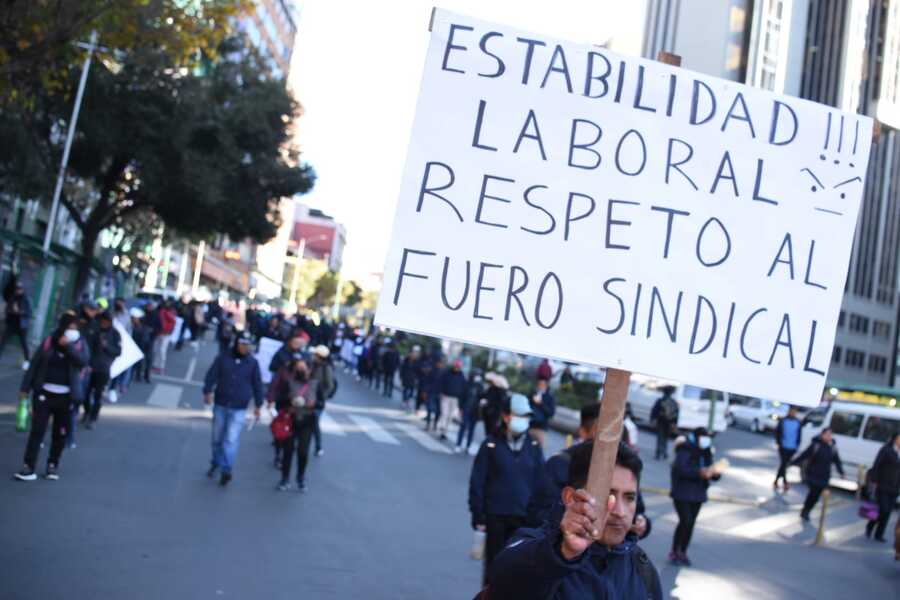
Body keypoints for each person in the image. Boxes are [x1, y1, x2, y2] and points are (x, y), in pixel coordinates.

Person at [487, 442, 662, 600]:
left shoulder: (643, 570)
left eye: (630, 498)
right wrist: (561, 554)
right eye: (608, 496)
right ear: (571, 498)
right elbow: (503, 583)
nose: (620, 512)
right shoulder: (538, 550)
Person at [528, 404, 652, 542]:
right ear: (583, 432)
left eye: (616, 433)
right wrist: (574, 521)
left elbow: (638, 510)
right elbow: (537, 514)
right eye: (602, 433)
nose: (620, 512)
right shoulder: (560, 464)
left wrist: (642, 523)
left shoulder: (624, 467)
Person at [469, 393, 545, 586]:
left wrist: (539, 518)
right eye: (518, 415)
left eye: (525, 416)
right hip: (495, 517)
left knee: (518, 572)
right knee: (494, 569)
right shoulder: (490, 444)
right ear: (505, 416)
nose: (523, 420)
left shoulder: (534, 446)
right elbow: (478, 481)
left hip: (524, 520)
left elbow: (541, 483)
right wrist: (478, 516)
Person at [14, 312, 89, 481]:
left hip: (66, 397)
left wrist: (69, 347)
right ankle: (28, 466)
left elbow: (83, 362)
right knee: (37, 431)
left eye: (75, 328)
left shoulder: (80, 344)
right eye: (69, 327)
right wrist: (25, 388)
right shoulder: (49, 342)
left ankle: (52, 465)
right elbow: (35, 365)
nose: (72, 330)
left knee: (59, 433)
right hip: (44, 395)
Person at [203, 332, 264, 487]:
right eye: (242, 344)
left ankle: (226, 469)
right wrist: (207, 391)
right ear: (237, 344)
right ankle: (215, 462)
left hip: (239, 406)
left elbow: (258, 385)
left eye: (248, 345)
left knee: (231, 439)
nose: (245, 348)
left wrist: (258, 405)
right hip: (221, 403)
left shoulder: (252, 363)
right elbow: (211, 375)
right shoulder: (223, 357)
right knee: (217, 437)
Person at [669, 427, 720, 566]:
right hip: (682, 493)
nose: (706, 440)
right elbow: (681, 469)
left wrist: (715, 473)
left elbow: (711, 470)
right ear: (696, 437)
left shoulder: (706, 451)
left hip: (698, 494)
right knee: (685, 521)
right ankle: (675, 551)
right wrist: (699, 473)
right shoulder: (685, 449)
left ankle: (683, 551)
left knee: (690, 524)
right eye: (704, 437)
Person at [271, 354, 318, 491]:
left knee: (303, 452)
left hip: (307, 422)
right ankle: (285, 479)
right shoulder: (289, 383)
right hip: (290, 421)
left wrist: (313, 404)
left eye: (303, 368)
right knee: (288, 451)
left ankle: (301, 478)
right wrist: (289, 402)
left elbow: (321, 403)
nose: (301, 370)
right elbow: (279, 402)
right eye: (298, 368)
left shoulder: (314, 385)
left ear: (309, 370)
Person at [792, 427, 845, 521]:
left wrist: (841, 472)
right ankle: (805, 511)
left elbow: (837, 461)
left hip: (825, 476)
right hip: (813, 474)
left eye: (830, 435)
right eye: (827, 434)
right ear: (822, 435)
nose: (829, 436)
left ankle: (807, 510)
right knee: (813, 493)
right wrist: (792, 462)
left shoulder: (832, 447)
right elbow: (804, 455)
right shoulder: (816, 445)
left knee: (816, 496)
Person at [83, 311, 122, 429]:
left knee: (98, 395)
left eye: (106, 322)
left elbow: (118, 351)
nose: (104, 324)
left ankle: (93, 417)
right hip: (91, 366)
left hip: (103, 368)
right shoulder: (94, 330)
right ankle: (87, 411)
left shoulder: (115, 334)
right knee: (85, 393)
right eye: (102, 322)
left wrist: (107, 346)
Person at [866, 432, 900, 542]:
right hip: (882, 485)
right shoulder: (886, 450)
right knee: (883, 509)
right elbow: (877, 465)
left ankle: (879, 534)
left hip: (895, 488)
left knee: (888, 512)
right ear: (895, 439)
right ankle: (870, 524)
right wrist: (874, 481)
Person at [309, 345, 336, 457]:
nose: (313, 356)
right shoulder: (312, 365)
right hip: (308, 399)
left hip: (317, 402)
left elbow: (329, 386)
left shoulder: (326, 368)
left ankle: (318, 447)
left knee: (314, 425)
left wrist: (321, 397)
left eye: (315, 355)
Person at [0, 282, 32, 369]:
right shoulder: (13, 298)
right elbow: (7, 310)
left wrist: (19, 311)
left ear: (23, 290)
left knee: (24, 344)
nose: (18, 291)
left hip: (22, 325)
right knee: (3, 341)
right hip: (12, 324)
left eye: (20, 289)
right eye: (17, 289)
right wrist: (12, 311)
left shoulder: (26, 299)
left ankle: (27, 361)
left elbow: (28, 312)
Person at [455, 370, 484, 455]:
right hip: (466, 408)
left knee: (472, 429)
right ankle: (458, 444)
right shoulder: (467, 384)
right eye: (476, 375)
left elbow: (482, 396)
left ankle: (468, 446)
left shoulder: (480, 386)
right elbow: (462, 395)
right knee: (463, 426)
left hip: (475, 411)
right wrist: (460, 408)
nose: (477, 377)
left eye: (478, 375)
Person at [773, 406, 802, 491]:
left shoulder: (798, 422)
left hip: (792, 447)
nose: (793, 413)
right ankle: (784, 482)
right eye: (791, 411)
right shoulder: (783, 421)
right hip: (783, 446)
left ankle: (778, 481)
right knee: (784, 464)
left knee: (784, 464)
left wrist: (797, 445)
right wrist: (778, 443)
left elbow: (799, 435)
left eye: (794, 411)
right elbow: (777, 432)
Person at [437, 359, 466, 440]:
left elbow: (463, 388)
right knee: (444, 413)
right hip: (445, 396)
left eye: (458, 367)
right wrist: (441, 392)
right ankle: (441, 427)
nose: (457, 368)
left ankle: (445, 432)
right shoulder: (447, 373)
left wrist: (461, 400)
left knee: (450, 416)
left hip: (455, 399)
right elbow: (441, 382)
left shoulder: (462, 376)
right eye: (456, 366)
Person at [650, 385, 678, 460]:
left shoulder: (660, 400)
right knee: (665, 438)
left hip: (661, 421)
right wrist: (674, 423)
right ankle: (664, 452)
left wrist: (652, 419)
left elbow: (654, 410)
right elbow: (676, 414)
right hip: (669, 423)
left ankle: (658, 453)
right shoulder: (673, 402)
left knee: (660, 437)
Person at [528, 376, 556, 447]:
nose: (540, 386)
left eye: (542, 384)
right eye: (539, 384)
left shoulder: (550, 397)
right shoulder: (533, 393)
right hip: (529, 425)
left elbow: (551, 413)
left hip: (541, 428)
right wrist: (532, 401)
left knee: (538, 449)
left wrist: (541, 404)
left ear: (546, 385)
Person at [480, 372, 509, 439]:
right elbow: (486, 396)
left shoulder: (501, 391)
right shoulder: (491, 388)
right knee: (488, 431)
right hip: (487, 412)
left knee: (492, 431)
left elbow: (501, 402)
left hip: (494, 414)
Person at [151, 300, 176, 373]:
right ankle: (155, 365)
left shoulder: (169, 312)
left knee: (162, 350)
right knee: (156, 349)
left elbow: (172, 322)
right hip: (160, 333)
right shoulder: (161, 311)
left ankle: (161, 366)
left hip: (165, 334)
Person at [130, 308, 153, 383]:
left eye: (134, 318)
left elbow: (146, 337)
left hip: (146, 345)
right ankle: (138, 376)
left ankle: (146, 376)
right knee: (139, 362)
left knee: (148, 361)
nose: (133, 319)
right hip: (139, 345)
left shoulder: (143, 327)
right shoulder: (133, 327)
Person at [399, 346, 421, 411]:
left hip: (413, 379)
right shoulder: (406, 361)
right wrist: (401, 376)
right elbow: (402, 369)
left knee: (411, 391)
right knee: (405, 390)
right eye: (413, 353)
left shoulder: (417, 362)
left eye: (415, 354)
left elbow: (418, 371)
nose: (413, 355)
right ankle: (404, 401)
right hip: (406, 378)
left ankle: (408, 401)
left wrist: (417, 378)